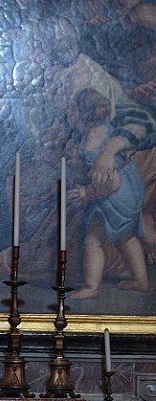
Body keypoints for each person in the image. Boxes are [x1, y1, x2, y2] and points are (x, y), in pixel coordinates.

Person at [69, 88, 149, 299]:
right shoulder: (101, 130)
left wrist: (87, 192)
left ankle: (91, 287)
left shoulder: (94, 138)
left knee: (93, 240)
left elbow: (110, 182)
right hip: (126, 189)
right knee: (126, 236)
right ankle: (141, 281)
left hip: (115, 193)